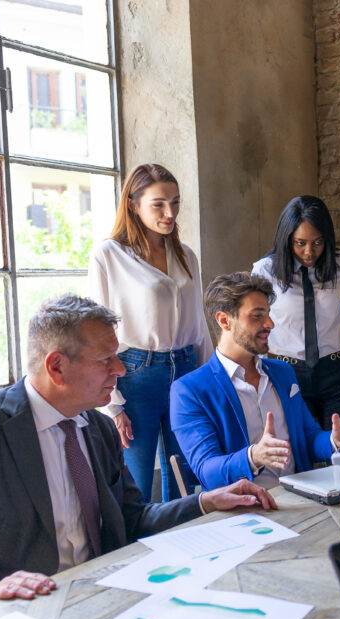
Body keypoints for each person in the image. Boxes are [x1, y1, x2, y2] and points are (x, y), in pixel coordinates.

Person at [0, 295, 275, 619]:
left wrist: (205, 502)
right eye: (107, 360)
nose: (122, 370)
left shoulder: (99, 429)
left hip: (92, 606)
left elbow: (130, 520)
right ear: (56, 366)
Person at [170, 273, 340, 489]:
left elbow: (307, 438)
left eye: (268, 314)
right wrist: (254, 457)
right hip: (245, 511)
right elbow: (207, 471)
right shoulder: (189, 391)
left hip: (303, 498)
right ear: (224, 321)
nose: (269, 324)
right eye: (257, 316)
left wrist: (335, 441)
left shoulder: (282, 373)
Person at [88, 163, 212, 502]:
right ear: (133, 203)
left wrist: (209, 380)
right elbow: (98, 332)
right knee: (136, 484)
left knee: (185, 478)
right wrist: (113, 405)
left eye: (175, 202)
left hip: (186, 370)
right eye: (158, 204)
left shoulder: (186, 256)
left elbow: (199, 324)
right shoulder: (109, 256)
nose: (169, 212)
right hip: (136, 375)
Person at [251, 195, 340, 428]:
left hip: (333, 372)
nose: (309, 252)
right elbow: (254, 317)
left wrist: (332, 321)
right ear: (287, 239)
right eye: (300, 242)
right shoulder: (266, 270)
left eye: (317, 242)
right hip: (286, 372)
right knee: (301, 456)